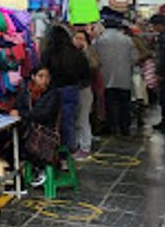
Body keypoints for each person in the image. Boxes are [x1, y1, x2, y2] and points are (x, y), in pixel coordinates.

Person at [40, 25, 91, 151]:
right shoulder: (75, 53)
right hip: (72, 89)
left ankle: (53, 147)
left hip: (53, 90)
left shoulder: (47, 54)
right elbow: (85, 72)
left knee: (53, 121)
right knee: (70, 121)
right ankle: (68, 149)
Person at [10, 66, 59, 186]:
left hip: (45, 131)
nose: (44, 80)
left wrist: (21, 114)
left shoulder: (53, 94)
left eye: (47, 77)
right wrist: (17, 112)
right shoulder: (25, 91)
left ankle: (38, 169)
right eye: (40, 76)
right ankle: (16, 178)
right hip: (26, 128)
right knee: (6, 144)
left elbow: (44, 114)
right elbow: (18, 105)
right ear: (33, 77)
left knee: (25, 146)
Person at [93, 17, 139, 136]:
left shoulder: (99, 40)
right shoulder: (127, 40)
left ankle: (111, 127)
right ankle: (125, 128)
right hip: (124, 77)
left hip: (105, 76)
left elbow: (93, 58)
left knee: (109, 103)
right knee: (125, 103)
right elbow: (135, 58)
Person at [72, 29, 100, 159]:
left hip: (84, 89)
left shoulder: (89, 53)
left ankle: (85, 147)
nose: (78, 41)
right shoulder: (71, 54)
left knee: (83, 119)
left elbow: (95, 65)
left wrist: (86, 50)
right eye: (76, 38)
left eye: (81, 39)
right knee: (77, 119)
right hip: (76, 89)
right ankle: (79, 145)